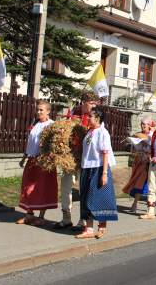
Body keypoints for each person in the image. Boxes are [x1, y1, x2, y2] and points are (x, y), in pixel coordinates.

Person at [55, 92, 99, 230]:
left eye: (95, 104)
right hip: (70, 156)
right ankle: (66, 217)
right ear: (84, 102)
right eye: (91, 103)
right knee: (66, 187)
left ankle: (83, 220)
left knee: (83, 189)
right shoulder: (73, 112)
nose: (93, 106)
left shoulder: (94, 117)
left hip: (85, 158)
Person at [76, 108, 118, 239]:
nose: (88, 118)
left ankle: (102, 227)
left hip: (99, 168)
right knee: (85, 198)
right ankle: (88, 229)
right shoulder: (89, 132)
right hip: (87, 168)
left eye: (91, 116)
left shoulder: (103, 133)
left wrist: (104, 173)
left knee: (99, 198)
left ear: (98, 118)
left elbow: (105, 153)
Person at [17, 101, 57, 226]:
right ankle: (29, 214)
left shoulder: (52, 125)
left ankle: (41, 217)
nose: (38, 112)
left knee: (42, 187)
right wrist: (24, 157)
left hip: (44, 160)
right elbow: (30, 143)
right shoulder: (35, 123)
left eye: (41, 110)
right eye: (38, 110)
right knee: (28, 186)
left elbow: (55, 145)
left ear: (48, 111)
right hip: (32, 159)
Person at [122, 117, 153, 213]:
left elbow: (154, 149)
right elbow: (133, 150)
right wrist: (132, 142)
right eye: (141, 124)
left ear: (149, 125)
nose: (143, 126)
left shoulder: (153, 135)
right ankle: (145, 205)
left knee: (142, 183)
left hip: (147, 162)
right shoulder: (138, 135)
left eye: (145, 124)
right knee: (137, 182)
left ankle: (136, 205)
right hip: (138, 161)